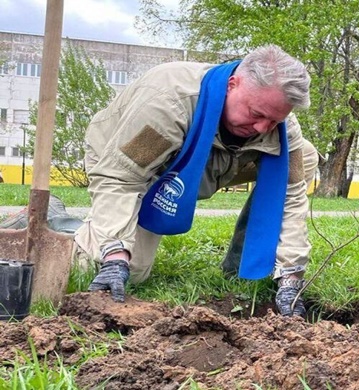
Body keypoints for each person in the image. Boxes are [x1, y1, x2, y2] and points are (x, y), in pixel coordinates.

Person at [0, 45, 318, 317]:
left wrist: (291, 275)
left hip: (212, 162)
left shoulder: (279, 126)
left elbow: (289, 197)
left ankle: (243, 264)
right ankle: (58, 219)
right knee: (126, 268)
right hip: (130, 159)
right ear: (233, 84)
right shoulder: (169, 103)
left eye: (274, 119)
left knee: (302, 155)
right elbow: (122, 177)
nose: (263, 127)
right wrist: (114, 254)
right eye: (256, 113)